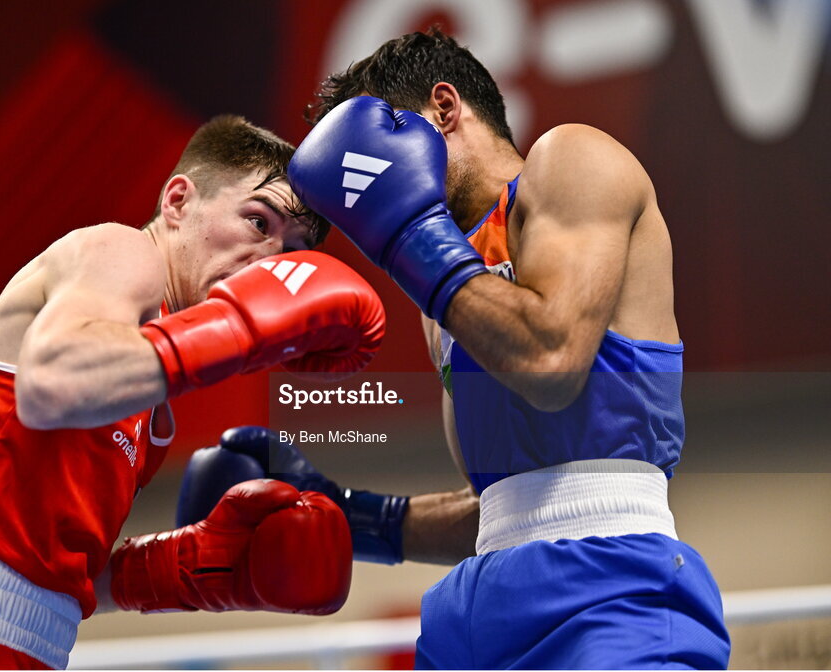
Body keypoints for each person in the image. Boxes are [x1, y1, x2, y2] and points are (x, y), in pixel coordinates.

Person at [179, 30, 731, 669]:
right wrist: (347, 514)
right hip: (478, 607)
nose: (368, 193)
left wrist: (411, 239)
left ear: (445, 109)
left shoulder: (573, 159)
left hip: (614, 588)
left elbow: (551, 361)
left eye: (376, 160)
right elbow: (508, 508)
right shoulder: (445, 299)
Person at [0, 115, 385, 670]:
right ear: (178, 202)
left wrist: (185, 569)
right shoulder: (122, 253)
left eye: (292, 251)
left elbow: (43, 579)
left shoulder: (149, 399)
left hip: (26, 648)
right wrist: (238, 333)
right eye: (260, 223)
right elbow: (54, 382)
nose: (271, 261)